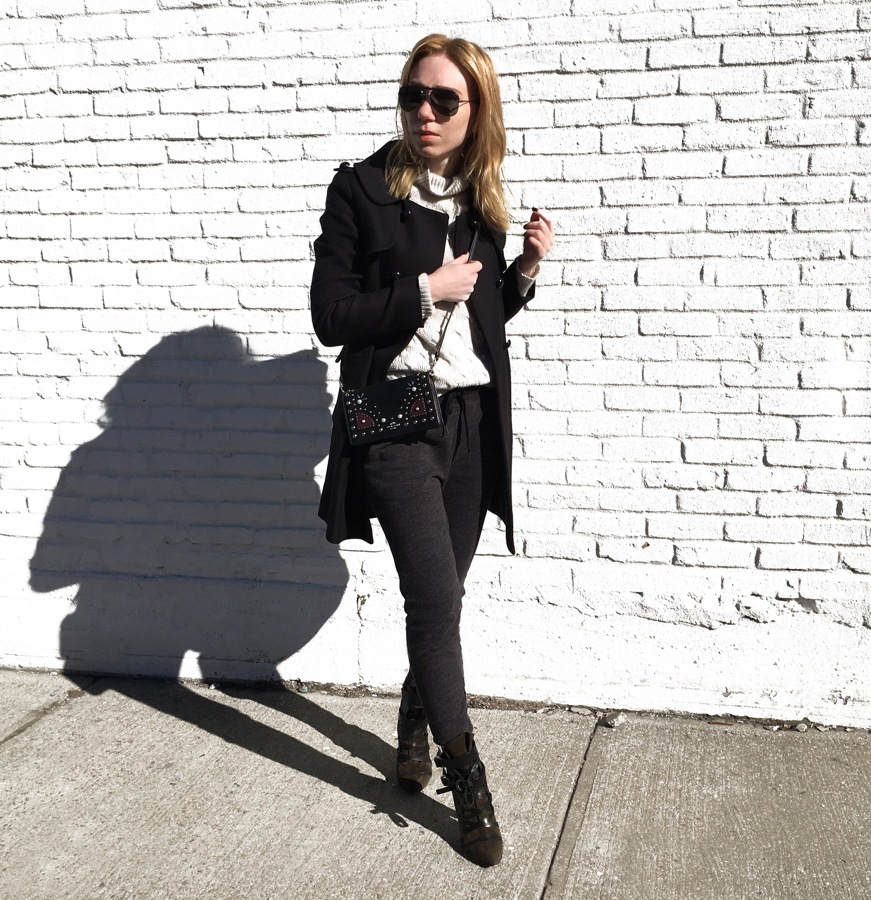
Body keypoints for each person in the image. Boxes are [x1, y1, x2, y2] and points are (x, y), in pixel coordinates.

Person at [309, 34, 554, 867]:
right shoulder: (361, 191)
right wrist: (422, 288)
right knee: (435, 600)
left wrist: (522, 273)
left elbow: (477, 323)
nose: (423, 110)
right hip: (395, 425)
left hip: (471, 425)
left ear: (475, 111)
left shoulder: (481, 205)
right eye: (414, 94)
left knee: (442, 601)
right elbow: (330, 316)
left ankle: (415, 720)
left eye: (443, 99)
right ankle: (468, 777)